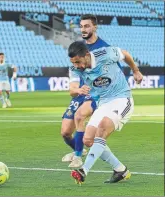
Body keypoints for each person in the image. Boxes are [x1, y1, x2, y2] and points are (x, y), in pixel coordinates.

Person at [68, 41, 143, 184]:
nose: (77, 66)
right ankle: (120, 169)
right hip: (103, 103)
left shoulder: (105, 53)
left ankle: (84, 170)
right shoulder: (74, 67)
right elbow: (72, 89)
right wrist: (78, 90)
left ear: (86, 55)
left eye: (78, 61)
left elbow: (125, 54)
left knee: (102, 128)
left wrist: (135, 70)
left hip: (121, 98)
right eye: (73, 62)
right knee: (88, 140)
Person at [61, 14, 112, 168]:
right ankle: (79, 149)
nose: (83, 29)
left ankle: (77, 157)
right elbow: (73, 78)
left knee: (80, 116)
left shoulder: (105, 49)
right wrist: (77, 89)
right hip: (80, 92)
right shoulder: (79, 48)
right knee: (65, 132)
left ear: (95, 27)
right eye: (81, 26)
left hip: (95, 92)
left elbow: (113, 73)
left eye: (87, 26)